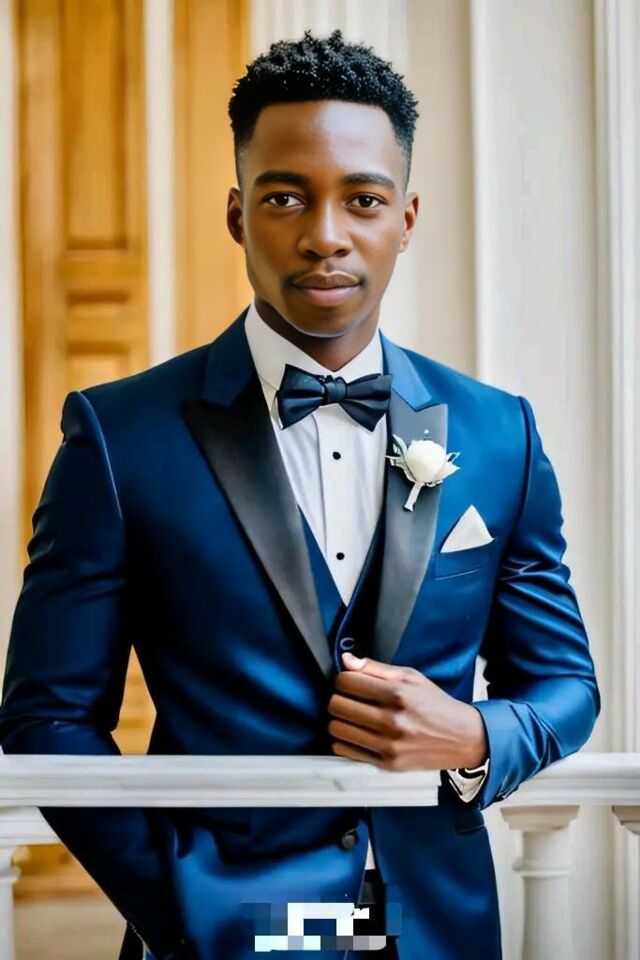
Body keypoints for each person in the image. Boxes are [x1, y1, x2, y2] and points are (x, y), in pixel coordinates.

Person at [0, 29, 600, 960]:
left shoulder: (499, 435)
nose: (325, 234)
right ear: (238, 215)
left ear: (407, 217)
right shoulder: (119, 437)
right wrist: (186, 911)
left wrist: (475, 734)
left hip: (436, 930)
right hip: (220, 932)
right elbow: (47, 717)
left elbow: (565, 685)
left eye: (363, 199)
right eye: (286, 197)